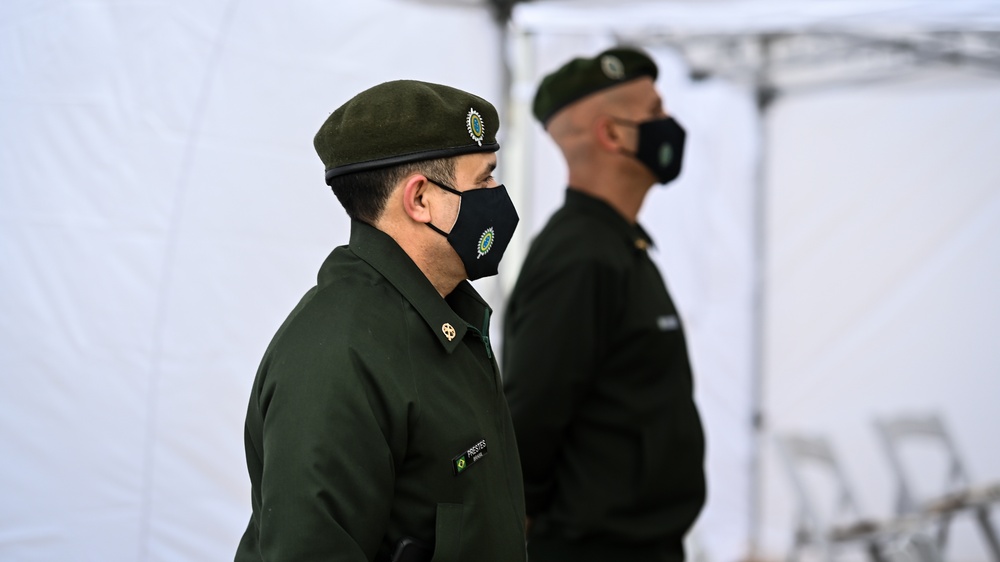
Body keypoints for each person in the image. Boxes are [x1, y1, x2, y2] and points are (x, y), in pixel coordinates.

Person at [235, 80, 526, 562]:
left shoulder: (444, 319)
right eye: (483, 180)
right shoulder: (339, 354)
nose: (497, 194)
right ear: (419, 200)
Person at [501, 47, 706, 562]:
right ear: (612, 134)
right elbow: (531, 417)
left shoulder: (619, 246)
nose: (670, 125)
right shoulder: (580, 258)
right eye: (654, 113)